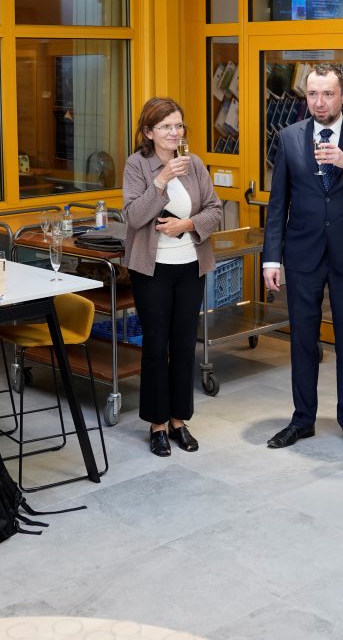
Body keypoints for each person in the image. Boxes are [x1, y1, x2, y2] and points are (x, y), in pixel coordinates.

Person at [262, 63, 343, 454]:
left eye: (327, 94)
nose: (319, 102)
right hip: (302, 255)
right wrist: (271, 259)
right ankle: (302, 419)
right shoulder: (289, 137)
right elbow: (278, 204)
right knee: (303, 340)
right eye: (312, 94)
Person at [121, 98, 224, 457]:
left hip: (190, 267)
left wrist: (188, 224)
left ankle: (179, 420)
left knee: (183, 345)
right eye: (166, 126)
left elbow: (215, 209)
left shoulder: (194, 164)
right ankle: (157, 425)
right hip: (152, 270)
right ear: (149, 132)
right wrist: (162, 179)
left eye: (178, 125)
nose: (174, 132)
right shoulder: (137, 165)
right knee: (155, 345)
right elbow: (134, 216)